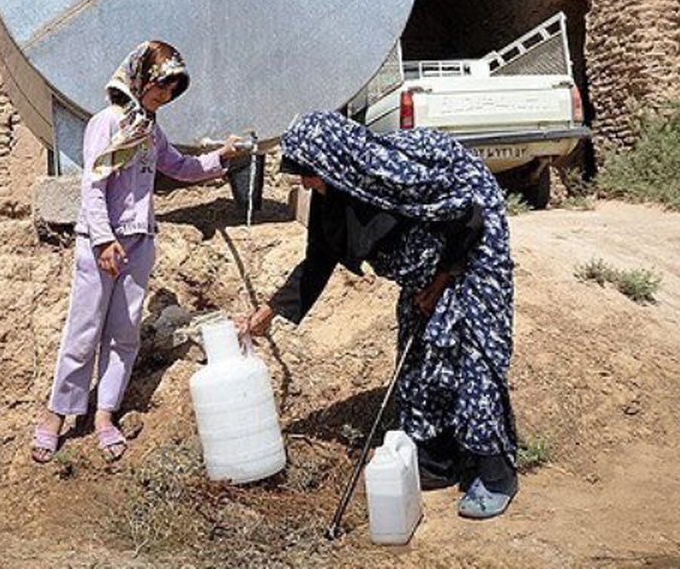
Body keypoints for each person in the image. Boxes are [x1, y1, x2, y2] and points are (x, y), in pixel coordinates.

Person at [238, 111, 519, 519]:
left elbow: (468, 219)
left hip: (472, 251)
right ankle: (437, 461)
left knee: (469, 355)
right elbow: (318, 259)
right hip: (427, 267)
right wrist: (268, 311)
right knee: (419, 357)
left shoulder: (396, 178)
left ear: (330, 162)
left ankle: (494, 475)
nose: (304, 184)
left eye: (307, 174)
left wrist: (439, 282)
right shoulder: (333, 193)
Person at [32, 40, 241, 463]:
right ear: (140, 78)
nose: (163, 97)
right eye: (160, 87)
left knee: (124, 331)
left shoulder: (150, 131)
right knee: (84, 329)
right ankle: (58, 413)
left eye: (170, 91)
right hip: (101, 242)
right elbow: (94, 186)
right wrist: (104, 240)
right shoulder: (107, 123)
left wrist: (221, 157)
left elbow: (180, 167)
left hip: (140, 240)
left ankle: (105, 414)